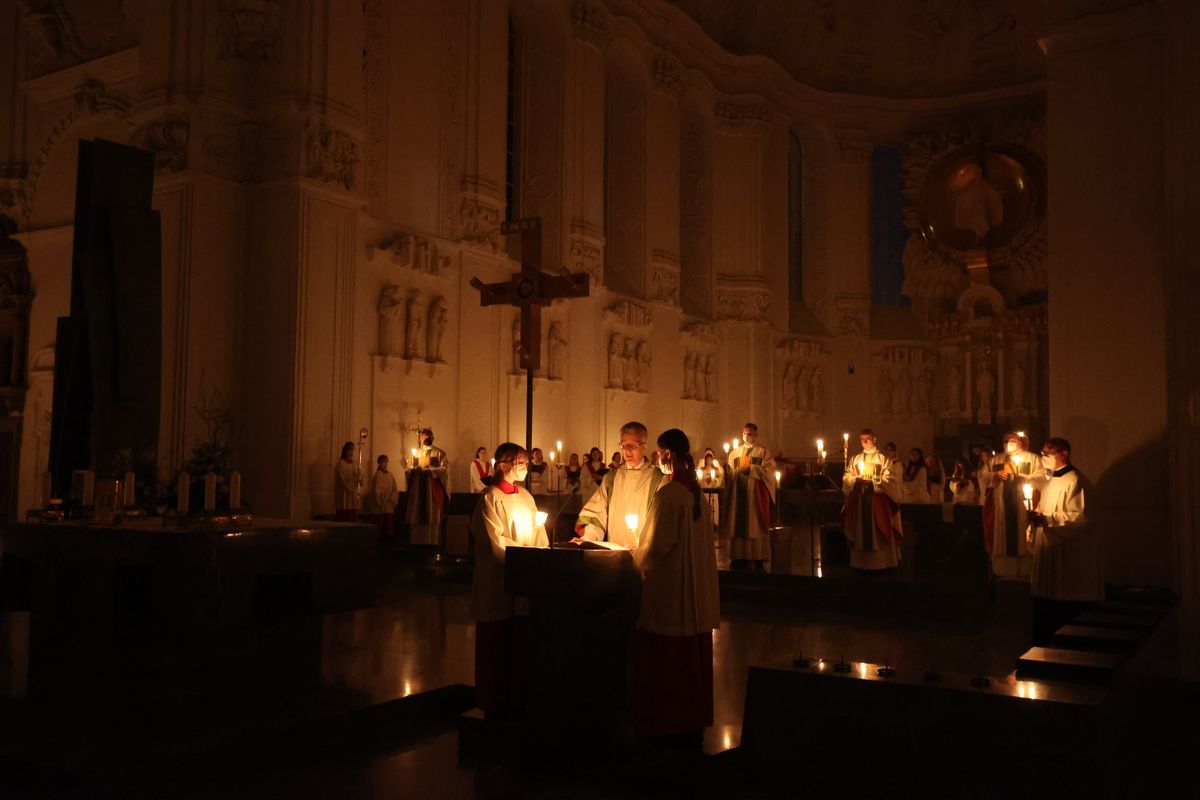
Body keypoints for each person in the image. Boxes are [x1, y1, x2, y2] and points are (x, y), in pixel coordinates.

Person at [632, 428, 720, 743]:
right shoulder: (694, 493)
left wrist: (637, 558)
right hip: (694, 587)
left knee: (669, 652)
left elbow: (658, 544)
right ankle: (691, 717)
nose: (659, 459)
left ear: (668, 453)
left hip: (672, 588)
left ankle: (669, 718)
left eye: (659, 453)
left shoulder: (669, 495)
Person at [470, 443, 548, 715]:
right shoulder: (489, 498)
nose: (526, 466)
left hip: (523, 578)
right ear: (504, 465)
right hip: (498, 582)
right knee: (494, 646)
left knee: (517, 645)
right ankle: (489, 703)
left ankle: (514, 701)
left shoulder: (525, 496)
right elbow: (495, 542)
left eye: (526, 462)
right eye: (521, 462)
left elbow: (538, 531)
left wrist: (540, 557)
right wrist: (523, 563)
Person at [1027, 437, 1102, 645]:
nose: (1044, 458)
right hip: (1049, 548)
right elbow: (1044, 510)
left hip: (1068, 553)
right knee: (1046, 602)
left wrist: (1048, 519)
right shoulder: (1051, 482)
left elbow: (1080, 517)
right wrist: (1035, 519)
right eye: (1042, 453)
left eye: (1048, 453)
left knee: (1064, 604)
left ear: (1064, 454)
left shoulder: (1076, 481)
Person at [575, 421, 666, 549]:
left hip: (644, 553)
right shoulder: (611, 478)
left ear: (644, 445)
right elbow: (596, 514)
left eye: (633, 445)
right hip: (615, 552)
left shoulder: (658, 479)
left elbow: (663, 521)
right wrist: (588, 538)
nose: (627, 450)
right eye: (623, 445)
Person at [984, 431, 1046, 580]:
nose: (1008, 443)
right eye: (1005, 440)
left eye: (1012, 440)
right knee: (1003, 539)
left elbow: (1043, 477)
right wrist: (995, 476)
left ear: (1021, 442)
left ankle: (1025, 572)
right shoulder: (996, 459)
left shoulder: (1032, 458)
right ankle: (1004, 573)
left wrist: (1023, 478)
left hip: (1022, 507)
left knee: (1023, 539)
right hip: (1001, 507)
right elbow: (983, 475)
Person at [842, 429, 903, 571]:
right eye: (862, 439)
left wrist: (873, 483)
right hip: (860, 502)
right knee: (860, 531)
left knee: (879, 528)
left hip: (877, 502)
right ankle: (861, 563)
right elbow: (847, 477)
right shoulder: (855, 459)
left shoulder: (883, 459)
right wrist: (856, 481)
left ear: (874, 440)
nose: (865, 441)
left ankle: (881, 562)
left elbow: (890, 479)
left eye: (868, 438)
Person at [723, 423, 776, 569]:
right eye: (745, 433)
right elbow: (730, 473)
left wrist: (751, 469)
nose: (747, 436)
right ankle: (738, 557)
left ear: (756, 435)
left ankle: (757, 557)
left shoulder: (763, 452)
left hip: (754, 497)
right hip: (737, 496)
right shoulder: (734, 453)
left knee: (754, 525)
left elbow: (769, 472)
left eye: (751, 433)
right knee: (737, 524)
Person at [406, 427, 449, 546]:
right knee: (417, 511)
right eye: (424, 436)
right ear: (420, 438)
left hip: (431, 487)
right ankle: (416, 541)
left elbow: (445, 469)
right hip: (418, 488)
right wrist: (413, 470)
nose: (427, 437)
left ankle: (432, 541)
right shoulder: (416, 453)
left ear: (433, 437)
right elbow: (408, 469)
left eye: (429, 435)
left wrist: (432, 470)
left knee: (431, 513)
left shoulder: (439, 453)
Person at [372, 454, 398, 539]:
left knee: (388, 521)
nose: (385, 464)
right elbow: (376, 489)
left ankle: (388, 537)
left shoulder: (390, 475)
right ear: (379, 463)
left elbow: (394, 488)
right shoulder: (378, 475)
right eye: (383, 461)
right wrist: (380, 499)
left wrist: (391, 498)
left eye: (386, 461)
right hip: (380, 503)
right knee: (380, 521)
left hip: (389, 502)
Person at [333, 441, 360, 521]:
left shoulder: (355, 463)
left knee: (352, 515)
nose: (351, 452)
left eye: (352, 450)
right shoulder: (341, 463)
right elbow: (342, 479)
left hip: (353, 493)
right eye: (349, 450)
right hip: (344, 492)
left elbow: (359, 478)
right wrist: (352, 481)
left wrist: (360, 476)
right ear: (345, 450)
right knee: (343, 514)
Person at [699, 451, 724, 528]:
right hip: (705, 489)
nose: (709, 461)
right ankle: (704, 522)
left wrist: (715, 481)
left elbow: (720, 478)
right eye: (707, 459)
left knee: (714, 506)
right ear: (705, 460)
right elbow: (699, 478)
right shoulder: (702, 469)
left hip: (713, 490)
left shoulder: (716, 469)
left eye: (710, 459)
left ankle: (714, 522)